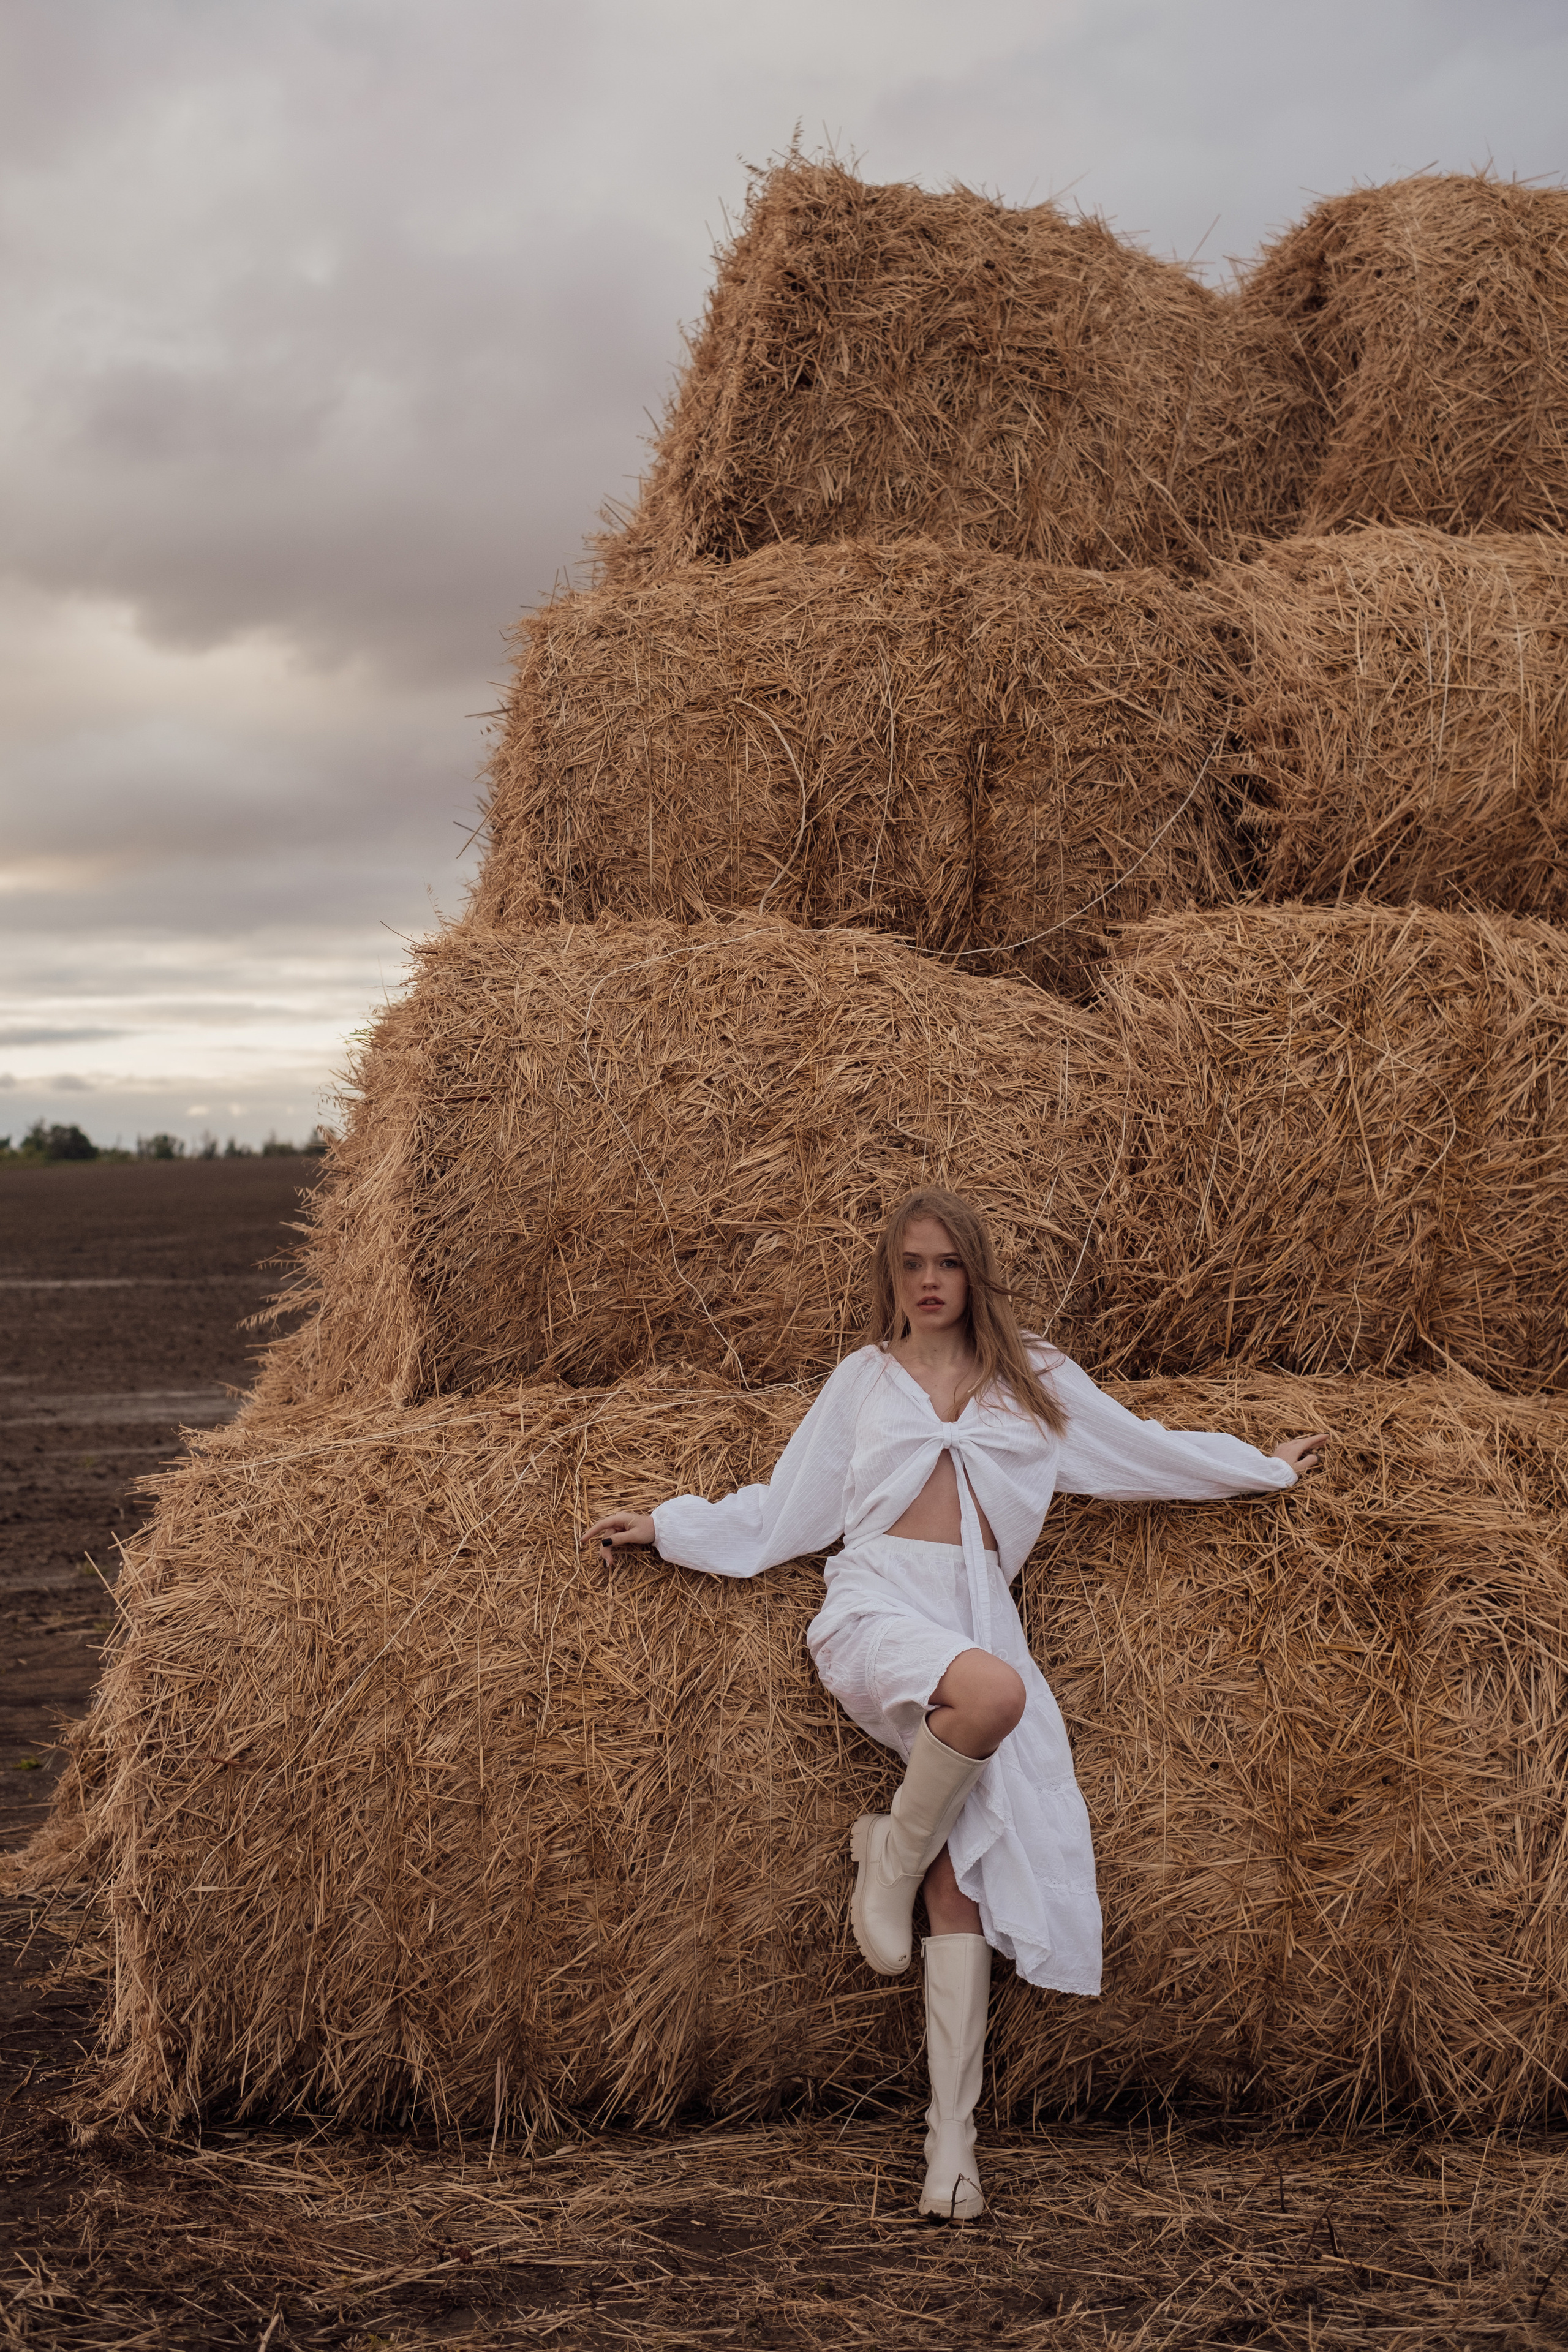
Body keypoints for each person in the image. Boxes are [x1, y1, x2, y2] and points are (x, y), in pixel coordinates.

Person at [587, 1188, 1326, 2222]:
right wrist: (670, 1529)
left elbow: (1145, 1450)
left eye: (945, 1263)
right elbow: (789, 1505)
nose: (928, 1282)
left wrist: (1263, 1470)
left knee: (964, 1876)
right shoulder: (863, 1381)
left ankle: (951, 2144)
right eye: (910, 1265)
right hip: (878, 1606)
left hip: (978, 1613)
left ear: (975, 1272)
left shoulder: (1036, 1380)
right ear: (889, 1279)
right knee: (995, 1697)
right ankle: (889, 1853)